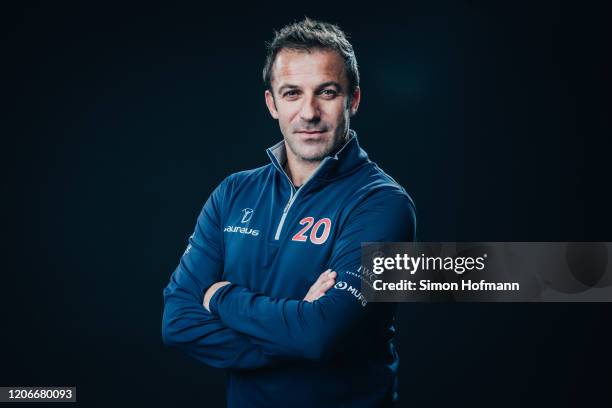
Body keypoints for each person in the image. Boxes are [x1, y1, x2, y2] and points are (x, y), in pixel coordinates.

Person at [162, 17, 416, 407]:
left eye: (327, 93)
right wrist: (296, 329)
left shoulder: (384, 204)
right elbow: (178, 323)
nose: (309, 112)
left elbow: (321, 335)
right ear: (272, 104)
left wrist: (221, 297)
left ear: (353, 100)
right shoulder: (233, 193)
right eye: (292, 93)